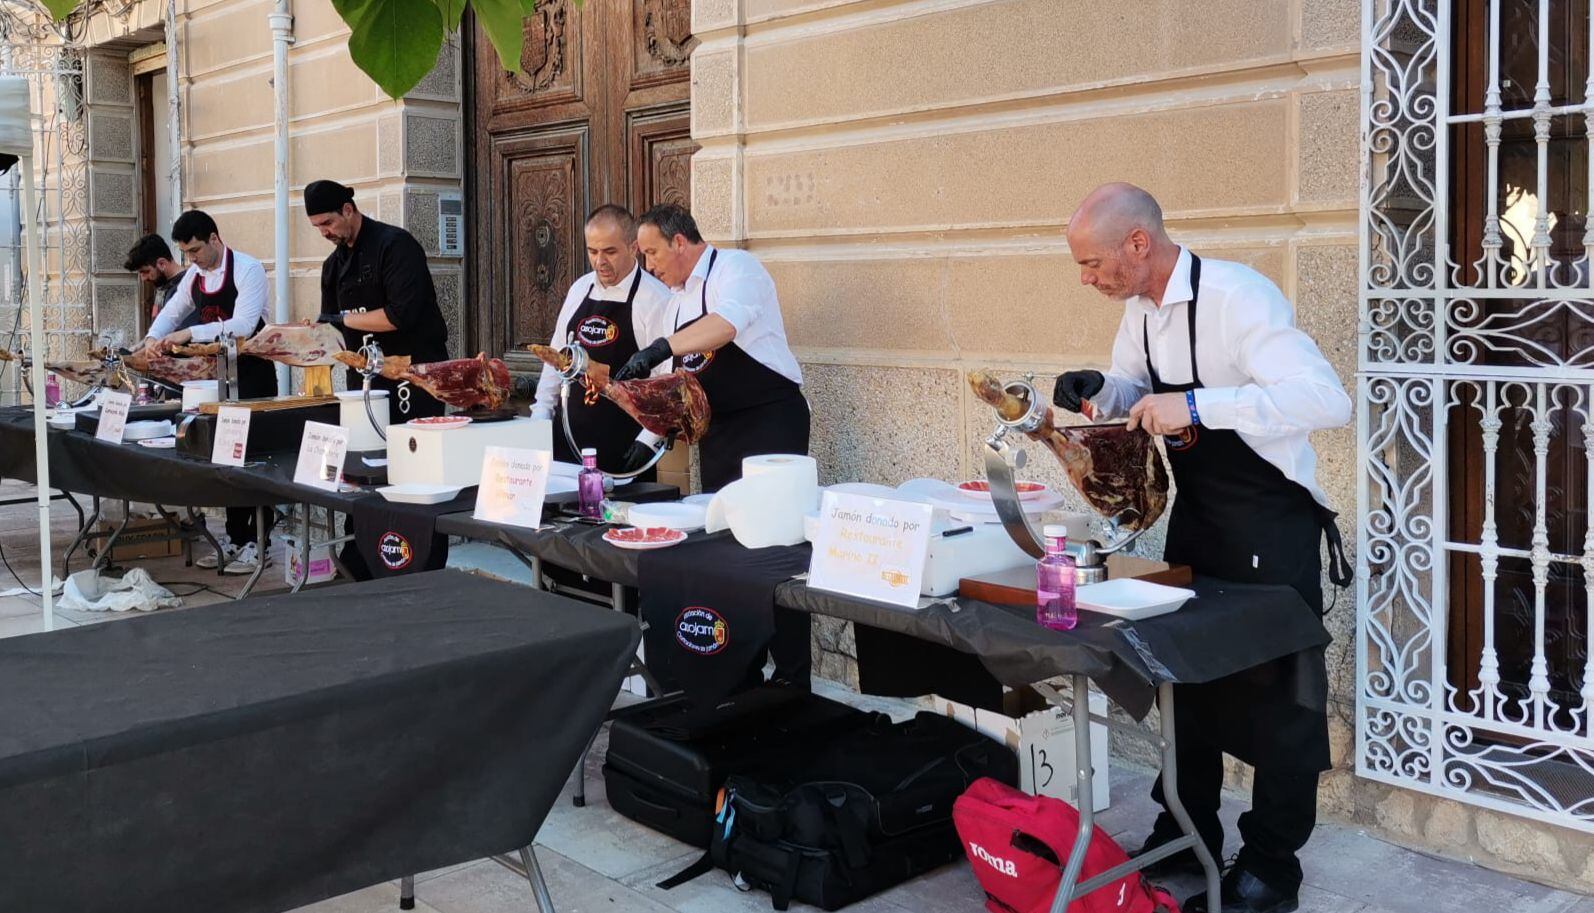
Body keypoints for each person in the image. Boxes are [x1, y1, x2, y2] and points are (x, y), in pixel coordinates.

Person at [1053, 183, 1352, 913]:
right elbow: (1136, 392)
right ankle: (1186, 832)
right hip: (1202, 522)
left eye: (1093, 263)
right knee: (1183, 685)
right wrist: (1105, 390)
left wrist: (1198, 406)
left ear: (1138, 244)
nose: (1086, 278)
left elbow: (1325, 399)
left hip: (1272, 526)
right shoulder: (1140, 312)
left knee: (1280, 704)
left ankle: (1272, 865)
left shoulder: (1238, 296)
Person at [616, 204, 808, 491]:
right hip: (718, 437)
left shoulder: (736, 267)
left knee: (769, 528)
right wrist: (648, 439)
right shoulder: (675, 305)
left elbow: (726, 324)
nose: (649, 266)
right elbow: (676, 391)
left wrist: (661, 347)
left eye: (652, 253)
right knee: (719, 527)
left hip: (770, 423)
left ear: (679, 242)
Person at [141, 211, 275, 575]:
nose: (193, 259)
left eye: (197, 250)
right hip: (218, 379)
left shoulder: (248, 269)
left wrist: (191, 333)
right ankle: (234, 537)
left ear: (215, 239)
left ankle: (258, 543)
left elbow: (244, 325)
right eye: (187, 253)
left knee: (254, 460)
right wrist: (154, 338)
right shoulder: (194, 277)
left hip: (254, 375)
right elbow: (172, 313)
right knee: (225, 458)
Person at [532, 205, 672, 476]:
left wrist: (649, 439)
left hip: (624, 447)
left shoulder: (654, 299)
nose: (600, 262)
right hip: (567, 445)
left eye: (610, 252)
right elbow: (555, 358)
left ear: (633, 248)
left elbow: (666, 379)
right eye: (592, 252)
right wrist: (540, 416)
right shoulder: (580, 289)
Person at [306, 179, 450, 420]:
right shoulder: (332, 266)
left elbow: (399, 315)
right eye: (317, 227)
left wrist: (344, 319)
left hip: (412, 375)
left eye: (328, 223)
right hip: (364, 380)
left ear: (348, 210)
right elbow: (330, 329)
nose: (324, 232)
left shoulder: (396, 245)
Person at [123, 234, 194, 328]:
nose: (143, 278)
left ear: (162, 263)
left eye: (146, 271)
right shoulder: (162, 286)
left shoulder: (186, 287)